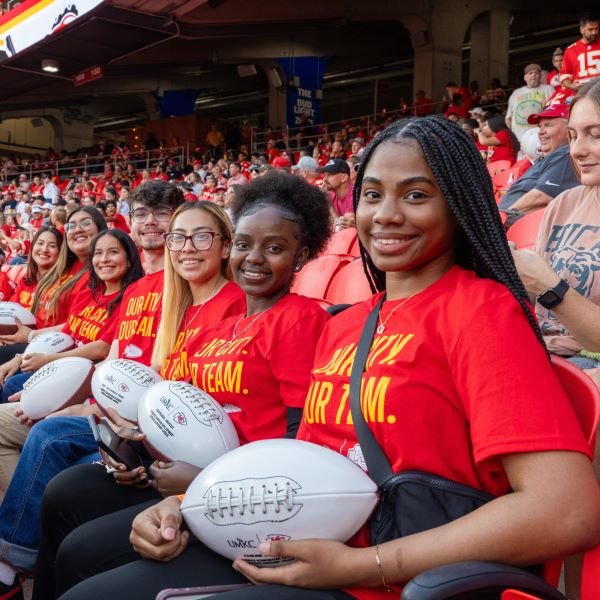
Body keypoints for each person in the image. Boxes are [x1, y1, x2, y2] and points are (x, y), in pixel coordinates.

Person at [58, 118, 600, 600]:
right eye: (371, 194)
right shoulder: (347, 323)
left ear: (458, 204)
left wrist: (367, 565)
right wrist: (192, 505)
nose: (386, 215)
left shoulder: (480, 311)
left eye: (415, 195)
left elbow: (567, 510)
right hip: (302, 543)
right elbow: (306, 456)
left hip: (385, 573)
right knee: (81, 558)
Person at [40, 171, 333, 600]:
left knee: (82, 562)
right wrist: (134, 450)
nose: (254, 258)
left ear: (302, 256)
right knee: (66, 498)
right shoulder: (215, 330)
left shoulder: (298, 319)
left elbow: (301, 437)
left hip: (245, 500)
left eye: (274, 248)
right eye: (245, 244)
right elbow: (182, 417)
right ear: (232, 248)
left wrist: (200, 482)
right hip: (188, 484)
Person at [0, 229, 144, 599]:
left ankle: (8, 560)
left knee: (46, 435)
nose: (104, 259)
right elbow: (67, 329)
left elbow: (102, 351)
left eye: (114, 252)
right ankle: (18, 526)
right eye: (99, 253)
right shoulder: (89, 292)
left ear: (131, 256)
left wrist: (48, 366)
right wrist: (23, 348)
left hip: (95, 396)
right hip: (72, 383)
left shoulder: (135, 296)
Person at [512, 79, 600, 367]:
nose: (576, 150)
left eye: (595, 135)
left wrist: (551, 287)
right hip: (537, 353)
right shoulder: (565, 203)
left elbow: (544, 284)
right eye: (573, 136)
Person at [499, 104, 579, 224]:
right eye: (540, 126)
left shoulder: (565, 155)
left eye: (548, 125)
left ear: (570, 129)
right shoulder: (550, 157)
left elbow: (541, 197)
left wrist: (498, 222)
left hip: (516, 230)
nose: (541, 132)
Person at [506, 64, 554, 142]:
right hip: (519, 138)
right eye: (530, 73)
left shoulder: (548, 89)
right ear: (525, 77)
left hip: (542, 135)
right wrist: (511, 136)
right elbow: (508, 118)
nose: (533, 75)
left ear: (540, 76)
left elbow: (554, 112)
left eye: (536, 73)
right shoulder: (516, 93)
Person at [560, 15, 600, 94]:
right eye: (590, 29)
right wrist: (571, 85)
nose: (594, 32)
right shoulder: (570, 50)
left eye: (596, 29)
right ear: (582, 30)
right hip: (582, 94)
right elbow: (565, 75)